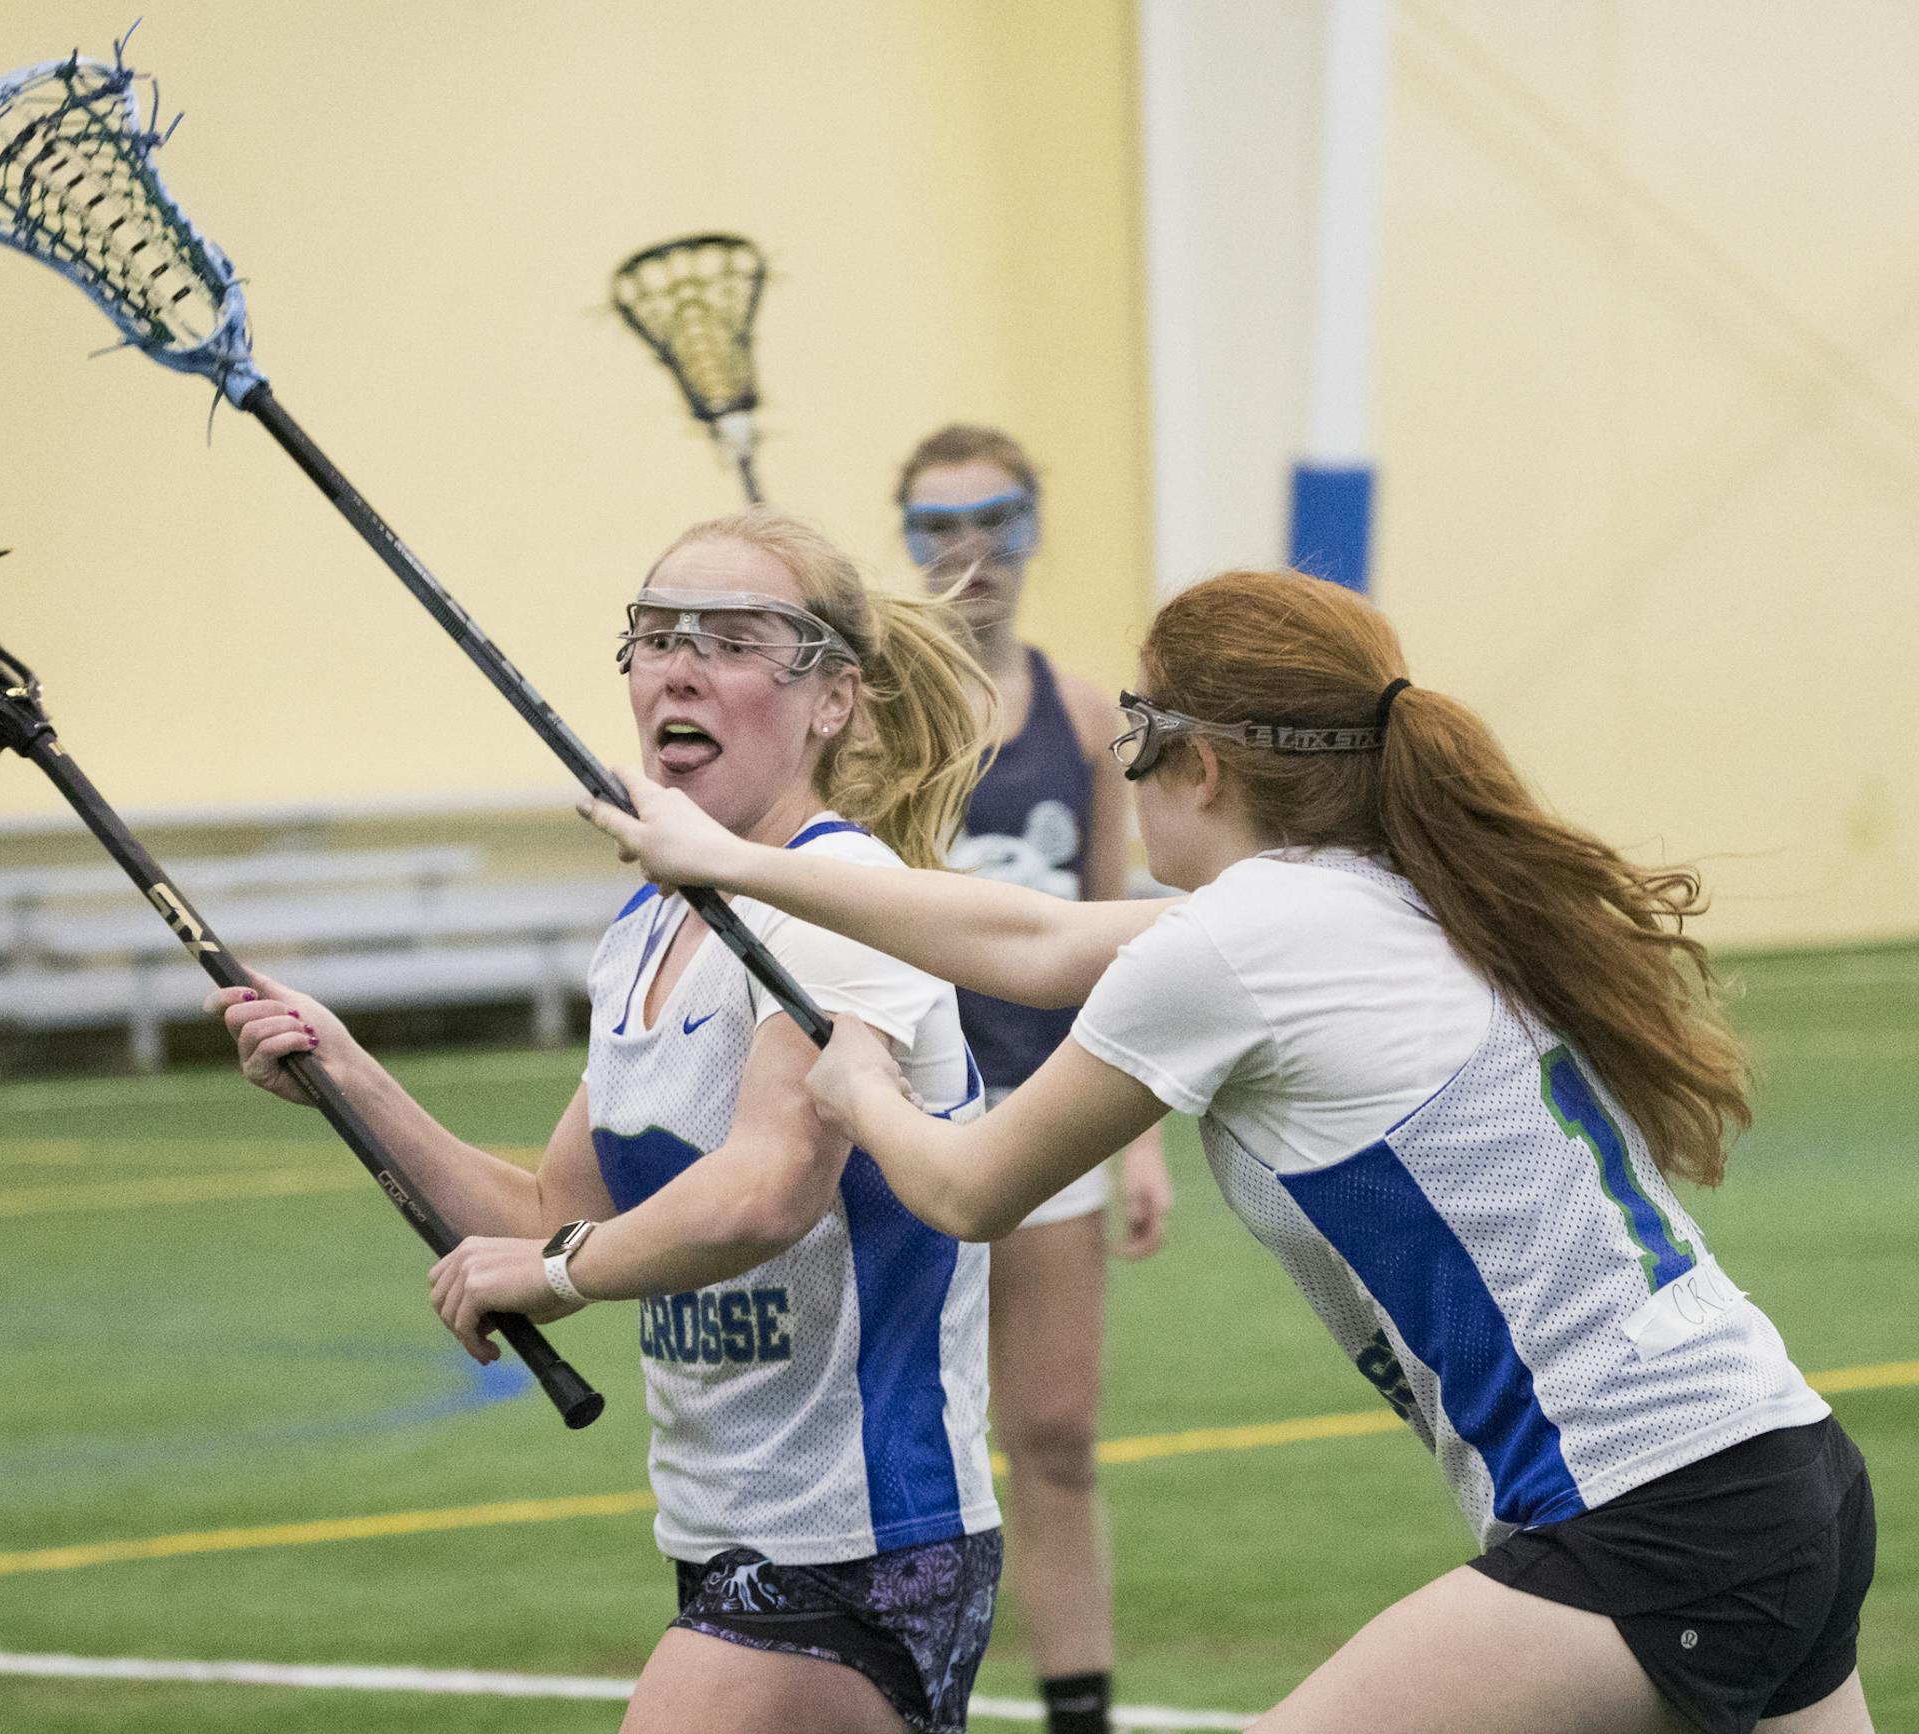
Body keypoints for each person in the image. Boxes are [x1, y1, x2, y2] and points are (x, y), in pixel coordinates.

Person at [582, 566, 1878, 1734]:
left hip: (1650, 1511)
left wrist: (863, 1090)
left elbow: (970, 1189)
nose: (1125, 773)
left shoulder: (1244, 943)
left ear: (1201, 764)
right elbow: (1025, 938)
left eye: (1136, 738)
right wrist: (733, 862)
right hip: (1784, 1465)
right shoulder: (1374, 893)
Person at [209, 508, 1008, 1734]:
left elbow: (767, 1190)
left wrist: (554, 1272)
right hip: (721, 1532)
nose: (680, 668)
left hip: (863, 1537)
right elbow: (548, 1214)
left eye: (734, 640)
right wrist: (350, 1074)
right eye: (657, 635)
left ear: (834, 699)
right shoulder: (642, 932)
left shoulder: (846, 899)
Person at [896, 423, 1173, 1734]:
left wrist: (1142, 1137)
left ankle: (1080, 1714)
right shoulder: (879, 713)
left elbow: (1115, 929)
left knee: (1054, 1434)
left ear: (1032, 529)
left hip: (1051, 1110)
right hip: (904, 1116)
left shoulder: (1083, 715)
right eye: (938, 524)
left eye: (995, 518)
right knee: (906, 1440)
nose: (970, 549)